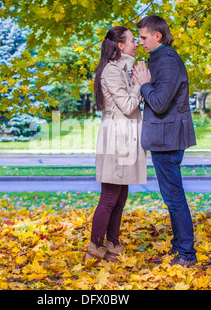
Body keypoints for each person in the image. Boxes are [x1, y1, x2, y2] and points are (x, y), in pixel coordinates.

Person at [133, 15, 197, 267]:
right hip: (163, 138)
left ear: (157, 36)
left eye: (143, 37)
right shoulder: (159, 58)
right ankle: (179, 248)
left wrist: (143, 85)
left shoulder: (168, 60)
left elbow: (159, 103)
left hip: (169, 139)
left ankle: (186, 255)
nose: (140, 42)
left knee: (174, 197)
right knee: (171, 196)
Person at [84, 26, 147, 264]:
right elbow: (129, 106)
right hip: (117, 138)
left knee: (120, 199)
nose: (137, 43)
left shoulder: (122, 70)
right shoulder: (112, 71)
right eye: (132, 40)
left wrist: (135, 82)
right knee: (109, 198)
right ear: (120, 45)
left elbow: (129, 103)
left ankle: (112, 246)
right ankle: (95, 248)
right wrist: (141, 84)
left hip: (126, 137)